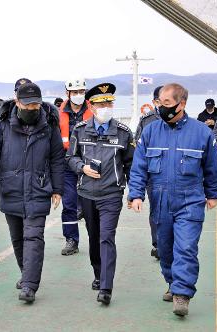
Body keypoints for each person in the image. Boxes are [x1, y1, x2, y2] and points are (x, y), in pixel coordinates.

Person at [128, 83, 217, 316]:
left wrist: (213, 194)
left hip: (190, 199)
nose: (161, 107)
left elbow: (212, 167)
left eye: (166, 103)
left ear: (182, 104)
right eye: (159, 103)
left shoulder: (201, 133)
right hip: (160, 200)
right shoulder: (150, 131)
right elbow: (139, 166)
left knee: (186, 247)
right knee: (165, 249)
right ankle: (172, 282)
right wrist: (136, 193)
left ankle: (182, 293)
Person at [0, 82, 65, 303]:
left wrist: (57, 188)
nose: (32, 108)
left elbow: (56, 158)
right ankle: (26, 272)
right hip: (11, 188)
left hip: (38, 188)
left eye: (36, 104)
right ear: (17, 102)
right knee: (17, 238)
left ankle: (29, 285)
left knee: (34, 236)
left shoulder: (49, 124)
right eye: (27, 105)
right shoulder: (4, 122)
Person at [66, 83, 135, 305]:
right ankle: (98, 273)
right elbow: (70, 157)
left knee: (106, 237)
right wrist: (81, 168)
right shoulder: (79, 130)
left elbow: (131, 164)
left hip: (111, 194)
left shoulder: (123, 133)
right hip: (86, 193)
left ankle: (106, 287)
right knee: (94, 238)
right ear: (91, 106)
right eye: (101, 103)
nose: (106, 106)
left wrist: (135, 193)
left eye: (109, 103)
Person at [59, 78, 93, 256]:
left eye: (82, 92)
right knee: (69, 204)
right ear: (68, 94)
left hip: (89, 164)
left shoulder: (94, 111)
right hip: (67, 165)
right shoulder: (58, 114)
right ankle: (71, 239)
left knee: (91, 205)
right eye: (75, 92)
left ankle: (96, 239)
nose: (79, 95)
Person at [134, 85, 163, 259]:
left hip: (177, 176)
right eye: (162, 101)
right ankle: (158, 244)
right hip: (154, 175)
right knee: (156, 210)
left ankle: (173, 242)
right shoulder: (147, 120)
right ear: (155, 102)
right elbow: (138, 146)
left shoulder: (183, 121)